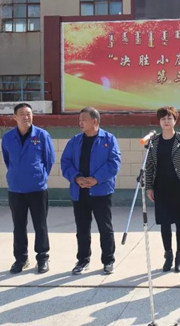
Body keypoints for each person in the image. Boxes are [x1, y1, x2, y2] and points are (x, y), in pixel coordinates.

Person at [61, 107, 121, 275]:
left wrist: (96, 179)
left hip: (101, 191)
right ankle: (83, 260)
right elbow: (65, 162)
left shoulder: (108, 139)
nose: (80, 123)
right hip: (79, 191)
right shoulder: (75, 141)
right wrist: (76, 178)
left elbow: (114, 163)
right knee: (82, 228)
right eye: (79, 120)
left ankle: (108, 260)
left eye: (84, 120)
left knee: (105, 227)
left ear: (95, 121)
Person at [2, 103, 55, 274]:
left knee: (40, 225)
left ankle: (42, 257)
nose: (26, 117)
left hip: (37, 188)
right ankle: (21, 259)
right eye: (22, 114)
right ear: (15, 117)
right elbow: (7, 160)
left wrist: (40, 176)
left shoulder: (42, 135)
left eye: (29, 113)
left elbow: (49, 160)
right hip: (16, 189)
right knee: (18, 226)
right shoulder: (8, 138)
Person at [145, 106, 180, 273]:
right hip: (161, 187)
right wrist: (149, 186)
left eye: (169, 118)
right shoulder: (154, 141)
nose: (166, 121)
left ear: (175, 120)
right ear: (159, 122)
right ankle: (168, 255)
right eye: (163, 119)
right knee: (164, 223)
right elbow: (149, 166)